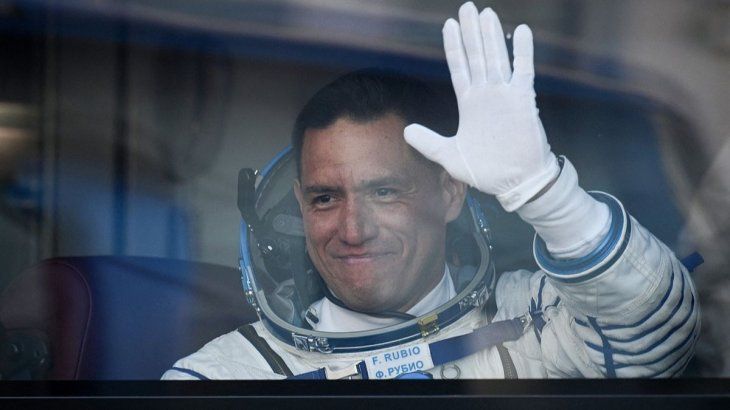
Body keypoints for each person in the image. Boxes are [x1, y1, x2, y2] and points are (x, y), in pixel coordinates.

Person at [162, 2, 699, 380]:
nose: (353, 230)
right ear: (301, 207)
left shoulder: (534, 320)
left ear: (450, 193)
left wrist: (544, 193)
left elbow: (656, 336)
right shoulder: (229, 377)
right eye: (326, 198)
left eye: (385, 192)